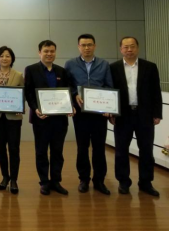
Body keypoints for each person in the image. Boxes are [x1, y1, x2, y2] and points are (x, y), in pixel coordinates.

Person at [110, 37, 163, 197]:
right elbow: (110, 91)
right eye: (126, 47)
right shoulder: (113, 68)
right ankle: (123, 182)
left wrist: (157, 113)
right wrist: (111, 113)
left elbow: (156, 91)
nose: (129, 50)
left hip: (145, 115)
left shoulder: (150, 67)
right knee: (121, 150)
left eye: (132, 46)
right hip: (122, 115)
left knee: (146, 150)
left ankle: (146, 182)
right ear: (121, 49)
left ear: (137, 48)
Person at [25, 40, 75, 196]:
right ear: (39, 52)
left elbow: (68, 91)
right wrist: (36, 108)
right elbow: (28, 93)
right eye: (46, 51)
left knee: (57, 151)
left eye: (52, 51)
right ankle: (44, 182)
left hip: (60, 119)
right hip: (41, 118)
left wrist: (70, 106)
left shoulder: (61, 71)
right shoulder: (31, 70)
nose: (49, 54)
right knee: (41, 151)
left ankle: (56, 181)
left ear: (55, 52)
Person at [65, 34, 113, 196]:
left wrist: (109, 106)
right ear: (78, 46)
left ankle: (99, 180)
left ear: (95, 46)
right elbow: (67, 85)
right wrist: (74, 95)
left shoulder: (104, 64)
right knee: (82, 147)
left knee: (99, 148)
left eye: (90, 45)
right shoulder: (70, 64)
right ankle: (84, 179)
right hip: (81, 113)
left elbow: (109, 86)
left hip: (100, 113)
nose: (87, 48)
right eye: (83, 45)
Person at [0, 46, 24, 195]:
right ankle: (5, 177)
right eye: (1, 56)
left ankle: (14, 179)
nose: (4, 58)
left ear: (12, 59)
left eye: (8, 56)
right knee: (0, 149)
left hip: (13, 118)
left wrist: (20, 106)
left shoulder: (19, 75)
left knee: (14, 149)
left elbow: (22, 94)